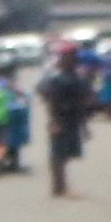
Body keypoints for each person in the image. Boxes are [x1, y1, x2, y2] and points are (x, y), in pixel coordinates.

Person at [37, 46, 92, 197]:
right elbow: (52, 102)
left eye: (74, 57)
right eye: (69, 57)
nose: (73, 60)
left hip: (74, 119)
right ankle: (59, 186)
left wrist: (85, 126)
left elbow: (82, 103)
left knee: (66, 154)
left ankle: (59, 186)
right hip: (61, 118)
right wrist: (54, 121)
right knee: (58, 154)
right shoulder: (56, 79)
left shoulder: (79, 78)